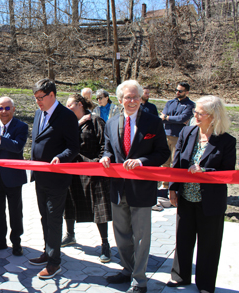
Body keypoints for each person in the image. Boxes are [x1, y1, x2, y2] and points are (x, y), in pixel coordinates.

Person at [100, 80, 169, 293]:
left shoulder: (153, 122)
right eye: (128, 97)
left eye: (136, 97)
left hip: (142, 190)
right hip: (118, 189)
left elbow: (163, 153)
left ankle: (139, 280)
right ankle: (127, 270)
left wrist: (141, 161)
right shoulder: (111, 122)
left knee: (141, 237)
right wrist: (105, 157)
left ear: (141, 98)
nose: (132, 101)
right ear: (120, 100)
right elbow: (107, 147)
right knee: (121, 234)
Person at [167, 96, 235, 293]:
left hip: (211, 201)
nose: (194, 115)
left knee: (209, 244)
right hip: (186, 197)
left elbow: (228, 173)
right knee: (183, 239)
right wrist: (173, 188)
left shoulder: (227, 141)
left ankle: (205, 285)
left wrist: (205, 172)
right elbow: (176, 162)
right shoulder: (187, 132)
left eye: (199, 113)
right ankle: (180, 276)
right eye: (195, 111)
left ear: (213, 117)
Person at [29, 79, 79, 279]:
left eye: (41, 98)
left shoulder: (66, 116)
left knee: (54, 218)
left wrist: (61, 157)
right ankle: (48, 251)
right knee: (44, 217)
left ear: (52, 95)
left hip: (57, 178)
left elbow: (73, 146)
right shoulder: (39, 113)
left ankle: (54, 262)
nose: (38, 102)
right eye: (36, 99)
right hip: (40, 177)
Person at [63, 94, 112, 263]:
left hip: (93, 169)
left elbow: (105, 144)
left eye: (70, 105)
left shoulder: (96, 121)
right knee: (69, 202)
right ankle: (70, 235)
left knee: (99, 207)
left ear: (80, 104)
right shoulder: (69, 124)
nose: (67, 108)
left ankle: (105, 244)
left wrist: (98, 162)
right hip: (73, 168)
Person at [0, 97, 28, 256]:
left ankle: (16, 242)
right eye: (1, 108)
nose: (4, 112)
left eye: (7, 108)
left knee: (15, 211)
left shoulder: (21, 126)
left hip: (13, 177)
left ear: (13, 109)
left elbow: (17, 147)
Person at [159, 82, 195, 191]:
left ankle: (173, 187)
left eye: (180, 91)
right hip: (165, 135)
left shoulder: (190, 105)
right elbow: (162, 116)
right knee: (165, 162)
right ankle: (164, 185)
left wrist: (167, 118)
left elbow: (182, 118)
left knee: (175, 162)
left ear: (187, 92)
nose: (177, 92)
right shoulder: (170, 103)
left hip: (178, 137)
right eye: (176, 90)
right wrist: (168, 118)